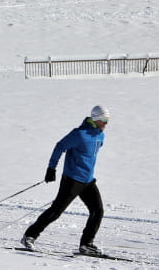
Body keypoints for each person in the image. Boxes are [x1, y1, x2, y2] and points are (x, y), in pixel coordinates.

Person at [21, 105, 110, 255]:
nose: (107, 123)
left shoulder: (100, 135)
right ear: (95, 119)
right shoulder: (79, 134)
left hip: (88, 181)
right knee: (56, 211)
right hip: (72, 179)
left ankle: (86, 244)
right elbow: (60, 146)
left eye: (108, 119)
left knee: (97, 211)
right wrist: (51, 169)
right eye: (104, 119)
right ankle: (29, 236)